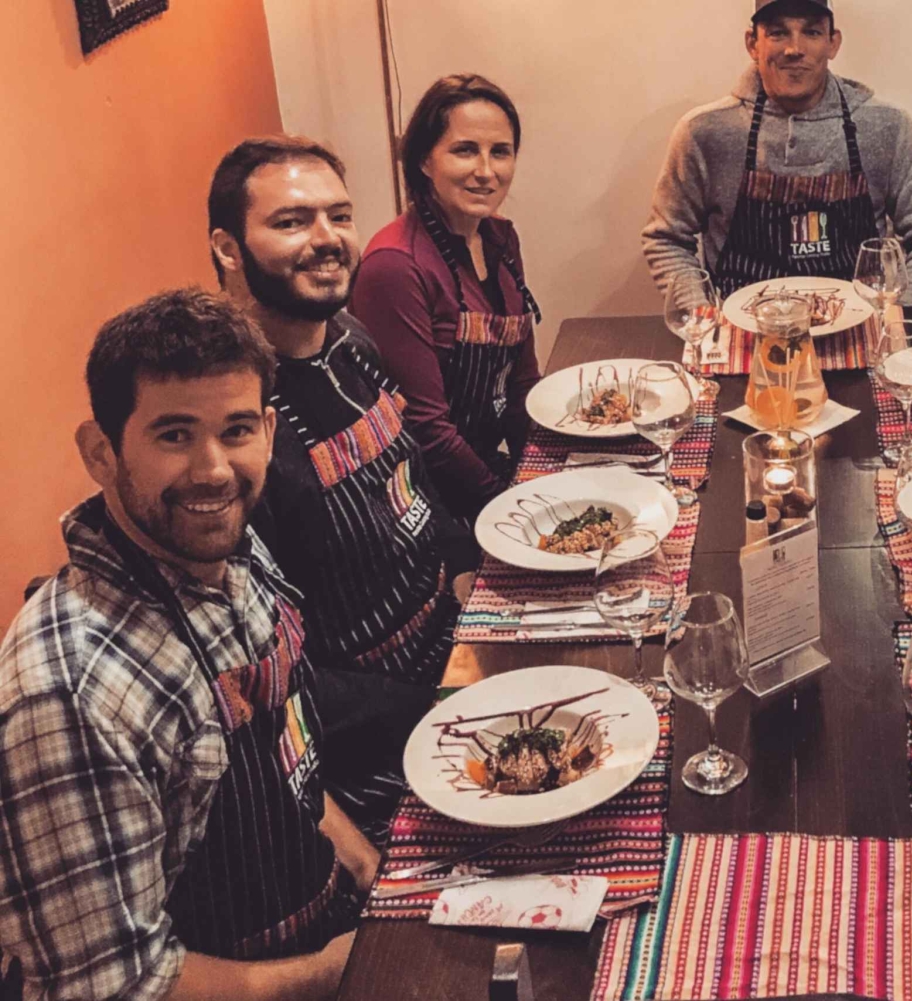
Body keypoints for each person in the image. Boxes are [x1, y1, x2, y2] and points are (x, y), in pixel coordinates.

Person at [0, 290, 376, 1000]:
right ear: (100, 451)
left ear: (268, 429)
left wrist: (365, 864)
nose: (212, 470)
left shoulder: (228, 546)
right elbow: (116, 987)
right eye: (174, 434)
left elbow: (278, 752)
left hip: (320, 918)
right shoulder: (71, 697)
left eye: (236, 429)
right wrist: (343, 969)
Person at [209, 136, 476, 840]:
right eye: (292, 221)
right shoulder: (230, 427)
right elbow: (261, 676)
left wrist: (478, 578)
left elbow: (414, 481)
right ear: (228, 248)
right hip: (366, 758)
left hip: (452, 648)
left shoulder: (351, 338)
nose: (326, 239)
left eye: (339, 215)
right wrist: (438, 703)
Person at [642, 0, 912, 303]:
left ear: (833, 43)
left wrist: (900, 315)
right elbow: (666, 239)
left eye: (811, 32)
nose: (794, 49)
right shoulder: (704, 132)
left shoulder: (886, 127)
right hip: (740, 343)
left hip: (865, 336)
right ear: (753, 44)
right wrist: (703, 315)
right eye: (778, 32)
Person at [352, 74, 542, 520]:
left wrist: (541, 474)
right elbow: (425, 430)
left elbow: (521, 386)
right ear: (423, 160)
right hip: (422, 499)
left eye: (500, 152)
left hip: (481, 473)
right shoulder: (395, 266)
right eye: (464, 150)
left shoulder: (500, 239)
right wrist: (510, 509)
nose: (486, 171)